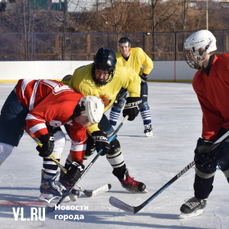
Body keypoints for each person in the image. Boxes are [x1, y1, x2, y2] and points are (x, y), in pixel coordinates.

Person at [0, 79, 104, 201]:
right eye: (87, 119)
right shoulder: (66, 107)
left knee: (58, 139)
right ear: (81, 109)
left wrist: (77, 163)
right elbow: (33, 117)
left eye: (90, 122)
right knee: (4, 147)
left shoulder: (80, 115)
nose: (86, 124)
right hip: (21, 99)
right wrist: (44, 136)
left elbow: (79, 142)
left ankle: (47, 186)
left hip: (40, 107)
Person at [61, 47, 147, 193]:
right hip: (75, 113)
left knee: (112, 143)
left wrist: (134, 97)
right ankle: (65, 180)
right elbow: (83, 115)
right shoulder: (83, 82)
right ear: (94, 68)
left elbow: (134, 79)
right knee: (86, 147)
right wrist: (96, 133)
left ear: (112, 71)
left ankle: (124, 177)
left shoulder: (121, 72)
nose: (101, 77)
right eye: (98, 72)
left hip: (95, 113)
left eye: (105, 73)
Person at [180, 30, 229, 217]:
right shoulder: (199, 81)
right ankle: (200, 198)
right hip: (225, 123)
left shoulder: (225, 62)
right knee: (203, 154)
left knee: (227, 154)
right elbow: (211, 114)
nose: (190, 56)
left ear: (204, 48)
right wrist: (208, 140)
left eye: (193, 51)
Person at [109, 37, 154, 137]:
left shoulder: (138, 52)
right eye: (121, 47)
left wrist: (144, 75)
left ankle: (148, 125)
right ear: (119, 47)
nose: (124, 49)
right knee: (118, 103)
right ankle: (110, 126)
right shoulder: (116, 58)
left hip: (138, 81)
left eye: (125, 47)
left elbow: (149, 64)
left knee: (143, 103)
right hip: (124, 83)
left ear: (129, 47)